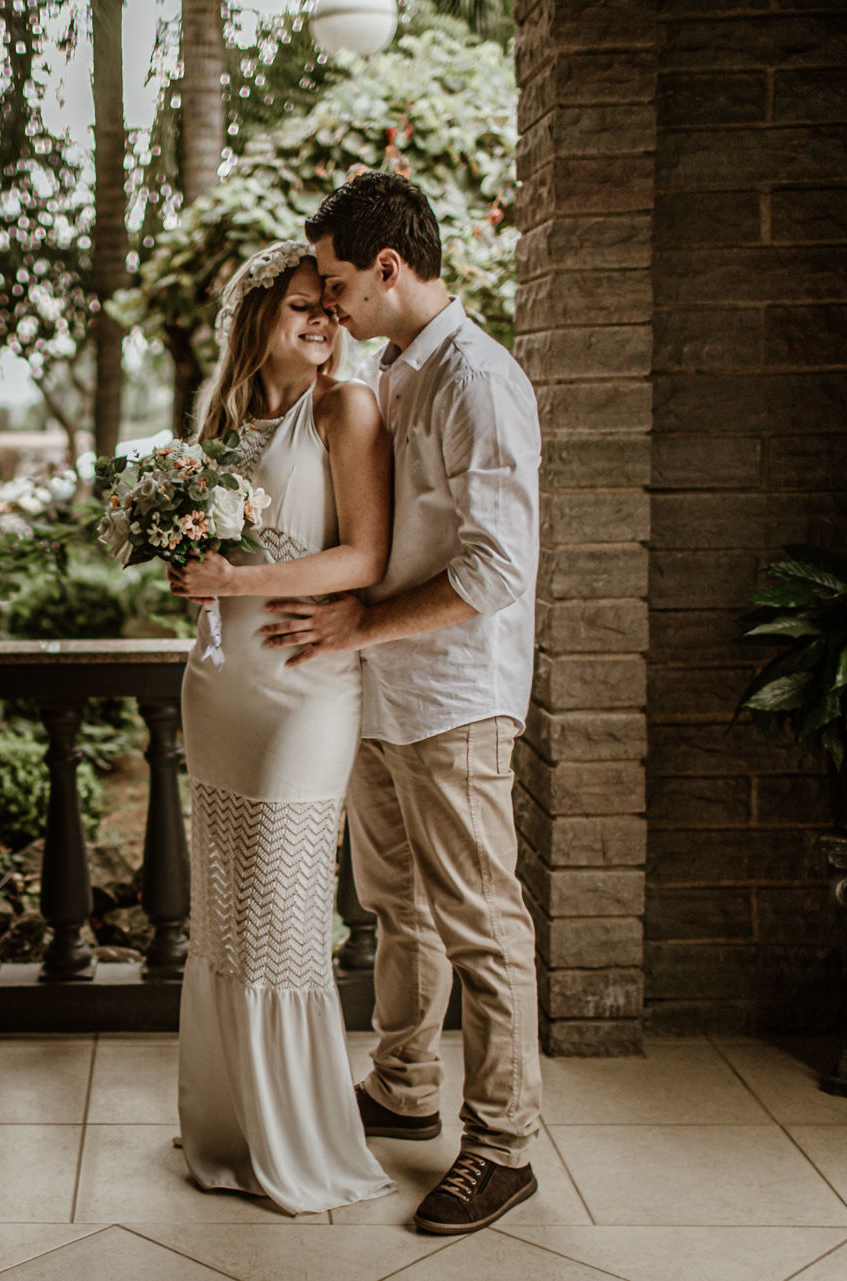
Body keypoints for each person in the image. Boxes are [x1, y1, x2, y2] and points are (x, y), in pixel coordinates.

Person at [261, 170, 545, 1236]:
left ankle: (505, 1144)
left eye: (338, 283)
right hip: (381, 689)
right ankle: (406, 1085)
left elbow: (494, 570)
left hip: (456, 697)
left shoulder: (480, 380)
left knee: (480, 918)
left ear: (390, 268)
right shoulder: (390, 366)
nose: (328, 306)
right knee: (397, 905)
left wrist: (357, 628)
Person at [162, 240, 394, 1215]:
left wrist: (237, 580)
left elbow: (364, 558)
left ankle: (299, 1140)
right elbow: (207, 567)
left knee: (285, 913)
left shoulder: (343, 409)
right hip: (218, 684)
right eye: (302, 304)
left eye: (330, 308)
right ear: (259, 314)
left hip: (307, 688)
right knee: (223, 908)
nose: (321, 321)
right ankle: (229, 1128)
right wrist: (192, 580)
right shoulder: (220, 425)